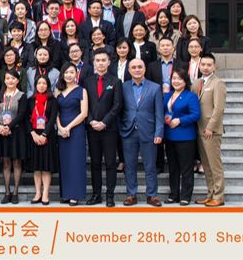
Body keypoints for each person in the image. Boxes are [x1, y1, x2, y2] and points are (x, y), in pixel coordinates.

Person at [120, 59, 164, 207]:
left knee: (150, 166)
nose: (137, 69)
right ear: (129, 70)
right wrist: (121, 128)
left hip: (149, 132)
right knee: (129, 166)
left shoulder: (155, 87)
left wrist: (159, 132)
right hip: (128, 132)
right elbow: (119, 110)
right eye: (133, 67)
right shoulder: (123, 87)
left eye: (140, 67)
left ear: (144, 69)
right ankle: (131, 195)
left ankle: (152, 195)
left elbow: (159, 113)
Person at [83, 49, 123, 207]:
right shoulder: (87, 81)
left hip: (109, 129)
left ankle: (110, 195)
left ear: (109, 62)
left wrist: (104, 122)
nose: (100, 63)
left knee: (111, 163)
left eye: (103, 60)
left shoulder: (115, 81)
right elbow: (85, 104)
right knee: (95, 163)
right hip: (92, 128)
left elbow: (117, 105)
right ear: (94, 62)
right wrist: (91, 121)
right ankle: (96, 194)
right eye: (97, 60)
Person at [163, 68, 201, 206]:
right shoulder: (167, 95)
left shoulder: (190, 96)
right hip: (169, 136)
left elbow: (196, 114)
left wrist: (180, 120)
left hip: (185, 137)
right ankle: (174, 195)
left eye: (179, 79)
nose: (176, 81)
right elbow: (164, 111)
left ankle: (185, 196)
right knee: (173, 168)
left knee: (186, 168)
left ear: (185, 81)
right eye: (174, 78)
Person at [194, 54, 226, 207]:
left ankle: (219, 195)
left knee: (214, 165)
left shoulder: (218, 83)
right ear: (199, 66)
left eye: (209, 65)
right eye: (203, 65)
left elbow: (219, 109)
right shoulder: (197, 83)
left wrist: (210, 128)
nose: (205, 68)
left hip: (211, 131)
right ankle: (210, 193)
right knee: (206, 165)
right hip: (199, 129)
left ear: (214, 66)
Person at [55, 62, 88, 206]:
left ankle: (75, 194)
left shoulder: (82, 91)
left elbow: (84, 113)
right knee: (65, 162)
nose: (69, 75)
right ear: (62, 74)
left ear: (76, 74)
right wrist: (60, 127)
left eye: (71, 72)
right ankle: (66, 194)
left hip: (76, 130)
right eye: (66, 72)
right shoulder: (58, 91)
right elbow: (55, 112)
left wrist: (68, 127)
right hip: (61, 130)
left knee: (76, 162)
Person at [0, 69, 27, 204]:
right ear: (4, 80)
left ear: (17, 80)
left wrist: (9, 127)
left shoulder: (21, 95)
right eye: (7, 78)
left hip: (16, 132)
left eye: (13, 78)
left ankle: (16, 192)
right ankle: (7, 192)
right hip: (2, 132)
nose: (10, 81)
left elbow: (22, 114)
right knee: (6, 162)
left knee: (17, 162)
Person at [27, 74, 58, 205]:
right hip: (34, 136)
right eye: (39, 83)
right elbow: (26, 119)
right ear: (35, 85)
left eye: (44, 83)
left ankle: (45, 193)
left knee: (46, 166)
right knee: (36, 166)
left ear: (48, 85)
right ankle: (37, 193)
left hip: (48, 136)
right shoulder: (30, 100)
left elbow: (52, 119)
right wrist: (33, 134)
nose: (41, 86)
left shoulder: (52, 100)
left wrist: (44, 134)